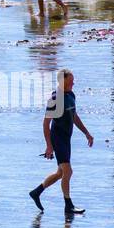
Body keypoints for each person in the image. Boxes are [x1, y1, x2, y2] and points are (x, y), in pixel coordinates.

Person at [28, 69, 93, 216]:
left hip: (67, 138)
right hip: (57, 138)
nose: (73, 83)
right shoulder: (55, 99)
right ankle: (68, 206)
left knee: (60, 173)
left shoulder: (71, 95)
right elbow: (46, 124)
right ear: (62, 81)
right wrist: (49, 146)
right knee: (68, 171)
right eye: (70, 81)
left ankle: (36, 192)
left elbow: (74, 116)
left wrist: (87, 133)